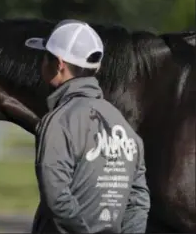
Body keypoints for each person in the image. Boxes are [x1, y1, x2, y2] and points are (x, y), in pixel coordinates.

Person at [24, 19, 150, 233]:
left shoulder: (59, 121)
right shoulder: (123, 125)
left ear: (59, 64)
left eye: (45, 56)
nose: (41, 63)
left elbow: (56, 197)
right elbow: (138, 200)